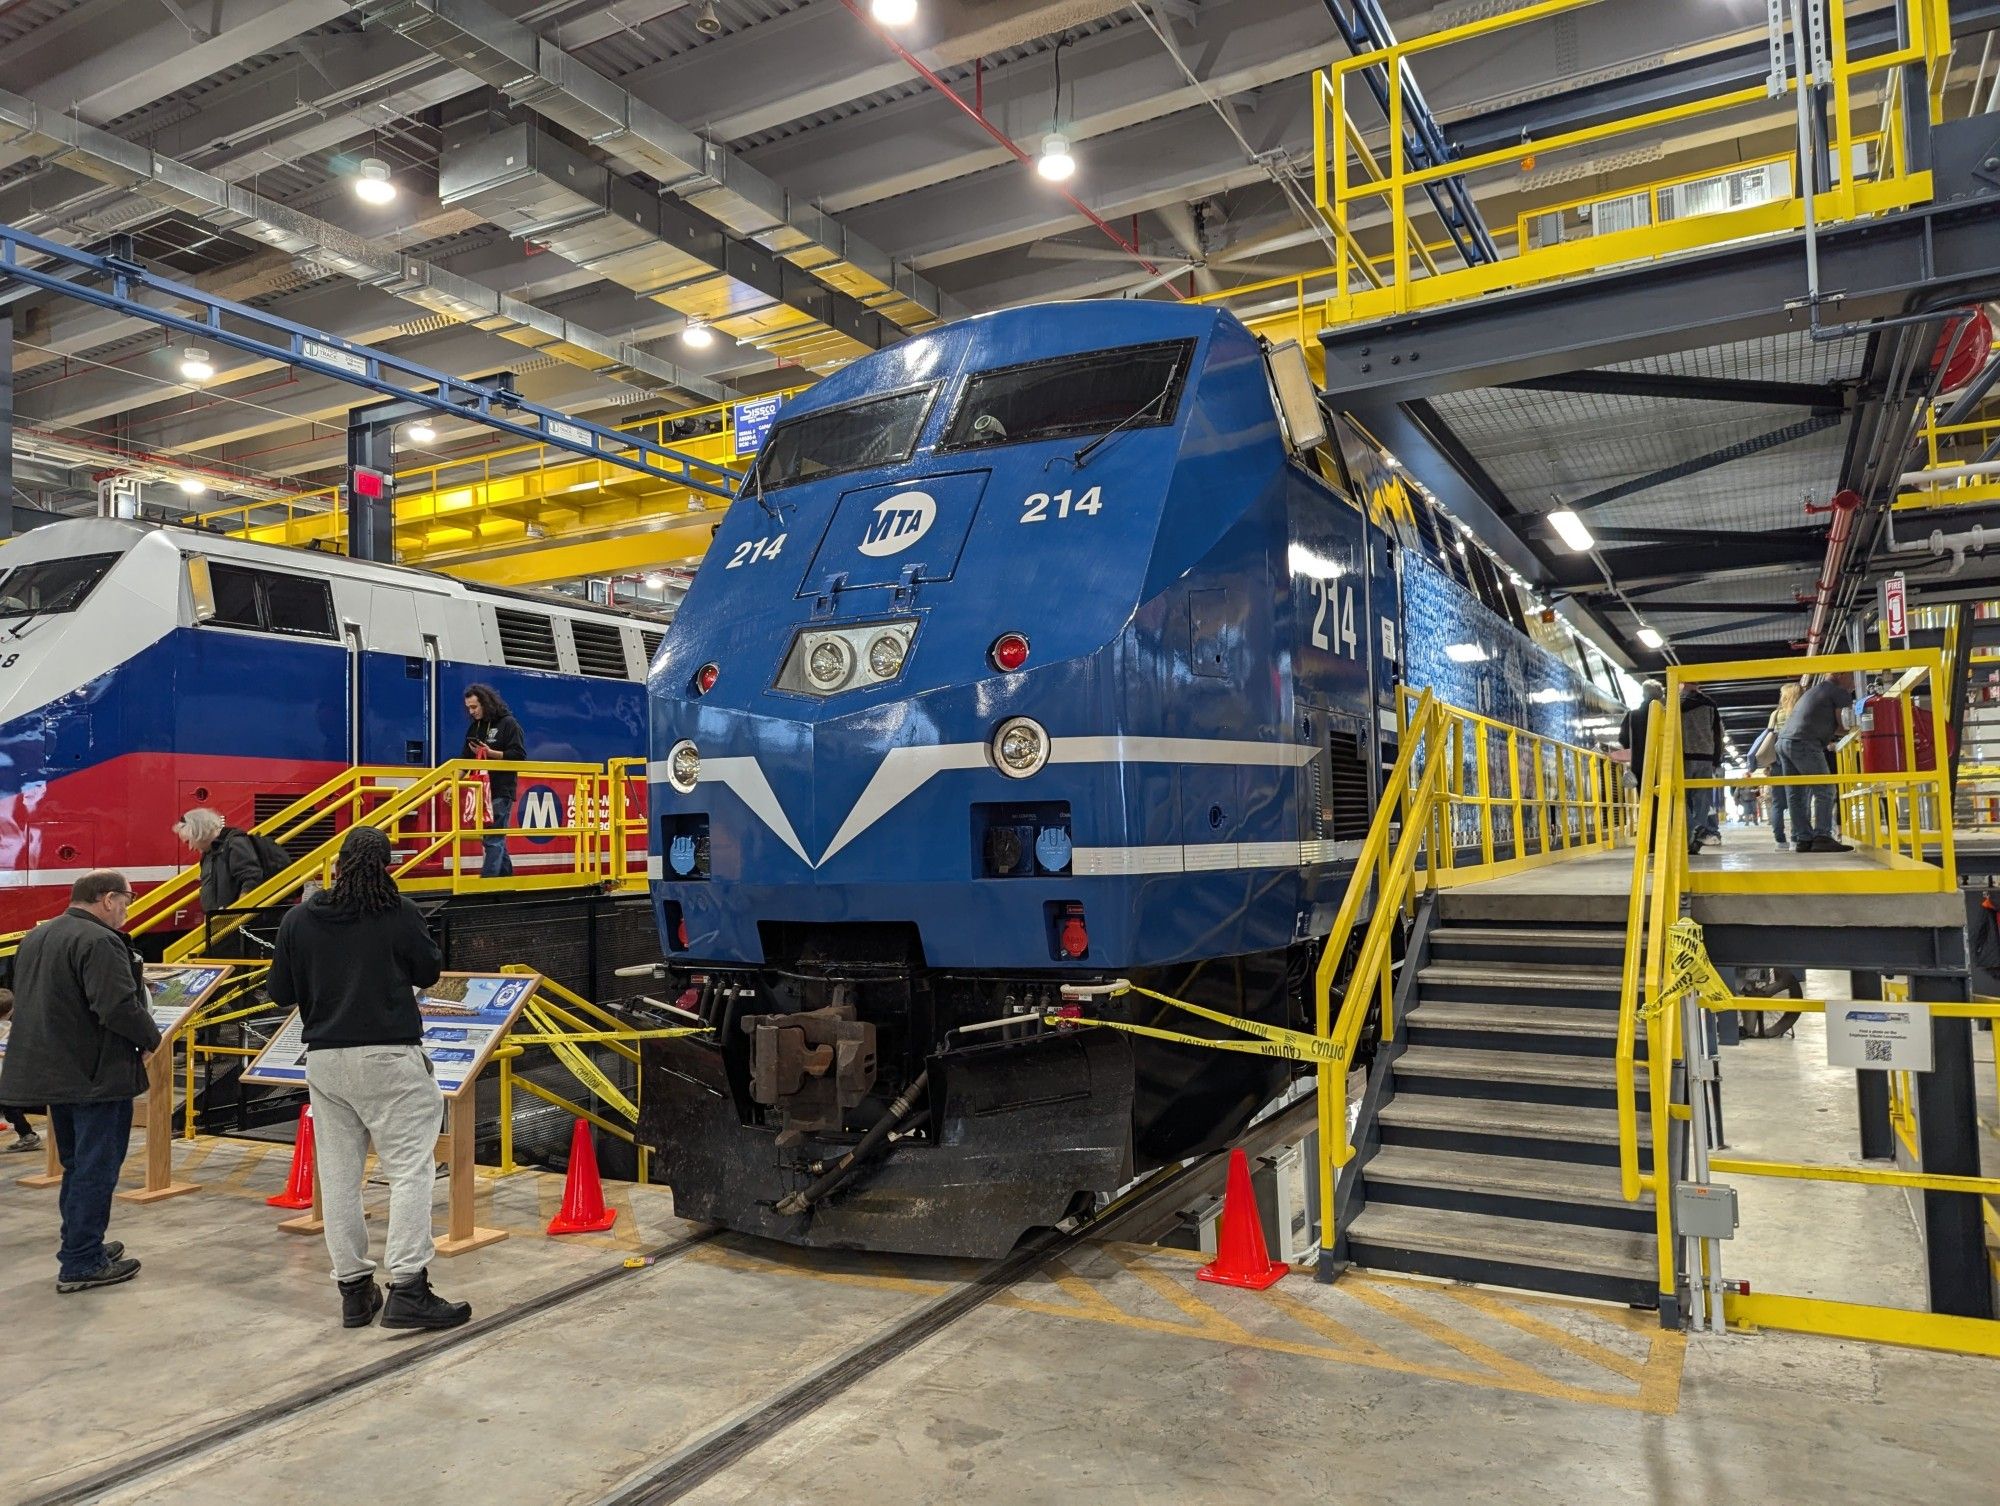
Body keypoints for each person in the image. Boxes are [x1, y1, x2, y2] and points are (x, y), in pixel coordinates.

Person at [267, 825, 468, 1331]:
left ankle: (355, 1292)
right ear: (384, 866)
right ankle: (408, 1287)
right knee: (408, 1172)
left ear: (337, 864)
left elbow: (278, 992)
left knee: (337, 1180)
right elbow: (427, 972)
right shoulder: (397, 913)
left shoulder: (297, 919)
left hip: (325, 1062)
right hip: (388, 1059)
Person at [0, 872, 159, 1293]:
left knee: (78, 1164)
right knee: (97, 1167)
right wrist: (151, 1038)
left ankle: (82, 1244)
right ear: (107, 899)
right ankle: (81, 1262)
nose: (128, 906)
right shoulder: (100, 941)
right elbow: (117, 1006)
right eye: (126, 898)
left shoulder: (37, 936)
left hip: (55, 1072)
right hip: (95, 1075)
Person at [1779, 673, 1854, 853]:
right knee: (1825, 790)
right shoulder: (1839, 692)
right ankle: (1822, 836)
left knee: (1795, 794)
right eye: (1852, 676)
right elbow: (1843, 726)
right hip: (1805, 742)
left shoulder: (1814, 691)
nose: (1853, 682)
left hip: (1783, 742)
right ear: (1840, 674)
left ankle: (1803, 839)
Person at [460, 684, 526, 880]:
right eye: (468, 708)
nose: (471, 712)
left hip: (501, 789)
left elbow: (519, 755)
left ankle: (487, 882)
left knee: (493, 837)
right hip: (481, 791)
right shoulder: (475, 727)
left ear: (485, 704)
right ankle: (506, 880)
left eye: (474, 707)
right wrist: (451, 784)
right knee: (495, 837)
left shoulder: (508, 724)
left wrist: (490, 753)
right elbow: (464, 759)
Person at [1680, 682, 1724, 856]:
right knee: (1702, 801)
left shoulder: (1674, 703)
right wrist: (1716, 759)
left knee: (1679, 799)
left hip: (1683, 756)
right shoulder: (1709, 703)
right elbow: (1717, 733)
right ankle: (1696, 839)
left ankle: (1695, 830)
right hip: (1705, 756)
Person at [1759, 682, 1804, 848]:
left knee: (1778, 802)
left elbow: (1769, 738)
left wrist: (1767, 763)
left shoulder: (1776, 714)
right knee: (1798, 798)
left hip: (1777, 759)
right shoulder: (1801, 713)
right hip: (1798, 757)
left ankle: (1779, 840)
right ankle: (1796, 837)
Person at [0, 989, 44, 1152]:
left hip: (10, 1085)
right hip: (20, 1081)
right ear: (12, 1010)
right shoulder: (20, 1030)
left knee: (11, 1106)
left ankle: (27, 1135)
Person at [1619, 680, 1666, 789]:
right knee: (1664, 799)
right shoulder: (1666, 714)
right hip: (1664, 765)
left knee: (1645, 799)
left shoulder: (1632, 716)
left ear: (1644, 695)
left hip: (1640, 766)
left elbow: (1623, 739)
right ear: (1660, 696)